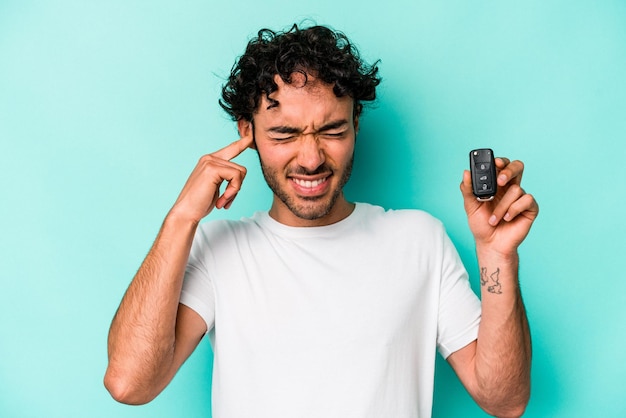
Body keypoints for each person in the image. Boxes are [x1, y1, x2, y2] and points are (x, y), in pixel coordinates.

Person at [104, 24, 539, 418]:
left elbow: (505, 399)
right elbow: (129, 384)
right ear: (247, 133)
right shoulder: (220, 250)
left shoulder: (419, 240)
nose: (311, 159)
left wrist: (497, 254)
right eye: (284, 134)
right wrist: (181, 219)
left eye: (332, 131)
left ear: (355, 123)